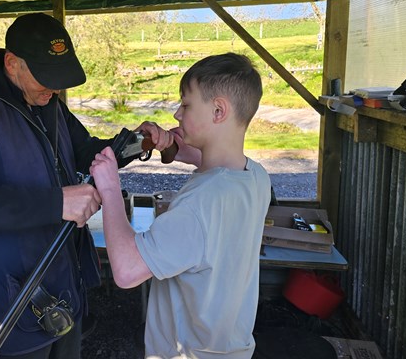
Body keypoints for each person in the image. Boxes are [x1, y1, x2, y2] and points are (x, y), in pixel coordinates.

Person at [0, 12, 172, 359]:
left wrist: (135, 143)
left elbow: (86, 153)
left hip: (62, 285)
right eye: (46, 78)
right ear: (12, 64)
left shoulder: (48, 104)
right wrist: (56, 203)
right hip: (11, 296)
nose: (55, 88)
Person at [89, 53, 271, 358]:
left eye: (186, 105)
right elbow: (210, 162)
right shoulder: (255, 176)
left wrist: (109, 190)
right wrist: (171, 146)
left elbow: (127, 271)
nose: (176, 113)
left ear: (217, 111)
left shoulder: (198, 205)